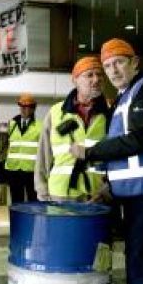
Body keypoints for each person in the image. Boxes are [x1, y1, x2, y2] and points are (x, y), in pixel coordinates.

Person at [70, 38, 143, 284]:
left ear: (135, 62)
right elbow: (128, 151)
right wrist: (111, 187)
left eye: (119, 62)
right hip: (137, 194)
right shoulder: (125, 96)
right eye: (107, 66)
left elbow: (137, 140)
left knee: (141, 264)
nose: (113, 71)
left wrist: (90, 152)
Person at [34, 57, 109, 202]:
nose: (96, 79)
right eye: (89, 75)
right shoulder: (55, 112)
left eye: (100, 74)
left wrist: (106, 191)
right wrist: (42, 190)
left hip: (97, 195)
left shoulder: (110, 113)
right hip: (60, 194)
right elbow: (43, 155)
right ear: (75, 80)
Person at [4, 93, 42, 203]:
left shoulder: (40, 126)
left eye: (28, 107)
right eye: (22, 106)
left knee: (33, 200)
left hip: (31, 170)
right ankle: (17, 220)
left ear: (33, 109)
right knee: (16, 201)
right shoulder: (12, 124)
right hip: (13, 169)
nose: (24, 109)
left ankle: (33, 220)